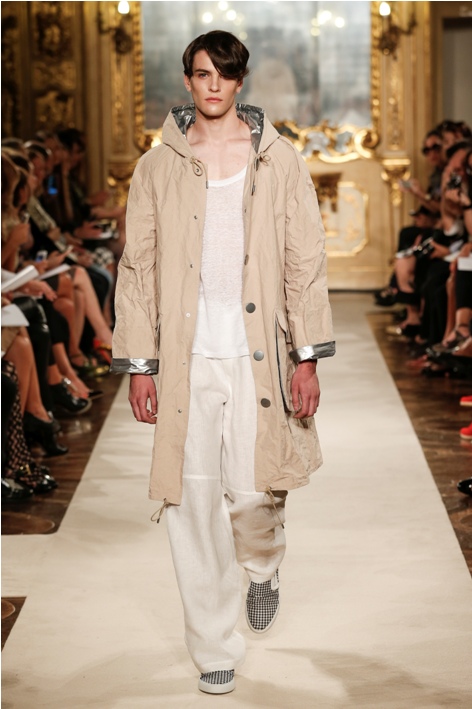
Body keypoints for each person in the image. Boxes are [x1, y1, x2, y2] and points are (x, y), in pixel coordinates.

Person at [111, 30, 335, 695]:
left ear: (240, 82)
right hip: (186, 356)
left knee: (255, 490)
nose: (213, 86)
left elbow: (305, 259)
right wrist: (142, 365)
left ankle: (263, 564)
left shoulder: (279, 160)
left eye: (225, 75)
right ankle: (213, 643)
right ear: (188, 79)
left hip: (257, 350)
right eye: (202, 73)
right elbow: (137, 267)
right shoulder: (157, 167)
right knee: (192, 498)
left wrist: (306, 357)